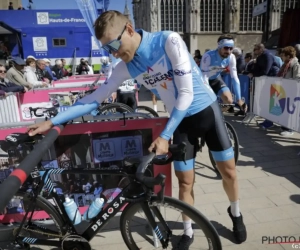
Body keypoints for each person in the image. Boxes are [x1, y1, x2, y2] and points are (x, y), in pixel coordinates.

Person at [28, 10, 247, 248]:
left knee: (229, 173)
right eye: (107, 49)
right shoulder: (126, 66)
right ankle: (187, 231)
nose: (113, 53)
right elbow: (95, 99)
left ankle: (235, 213)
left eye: (113, 44)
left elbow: (186, 93)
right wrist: (53, 121)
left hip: (206, 111)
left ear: (129, 29)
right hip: (181, 121)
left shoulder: (168, 40)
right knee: (185, 182)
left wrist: (164, 135)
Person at [200, 35, 247, 116]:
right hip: (203, 81)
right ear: (219, 46)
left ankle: (216, 115)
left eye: (231, 48)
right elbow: (204, 77)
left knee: (229, 101)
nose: (228, 51)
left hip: (216, 79)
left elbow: (234, 78)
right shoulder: (208, 56)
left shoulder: (231, 57)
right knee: (206, 104)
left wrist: (239, 99)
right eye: (226, 48)